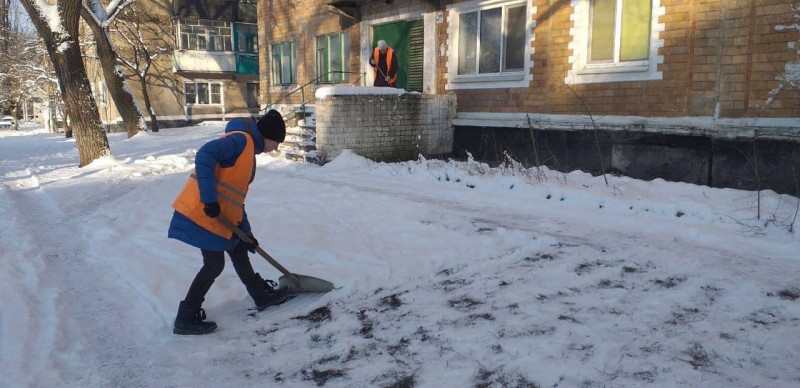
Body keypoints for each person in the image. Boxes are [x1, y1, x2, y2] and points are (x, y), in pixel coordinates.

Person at [168, 109, 290, 335]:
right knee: (214, 264)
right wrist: (209, 200)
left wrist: (246, 234)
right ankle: (185, 316)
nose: (276, 148)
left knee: (238, 247)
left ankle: (260, 296)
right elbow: (205, 155)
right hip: (204, 213)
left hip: (219, 216)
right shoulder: (240, 141)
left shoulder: (247, 149)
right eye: (276, 143)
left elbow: (235, 199)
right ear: (268, 136)